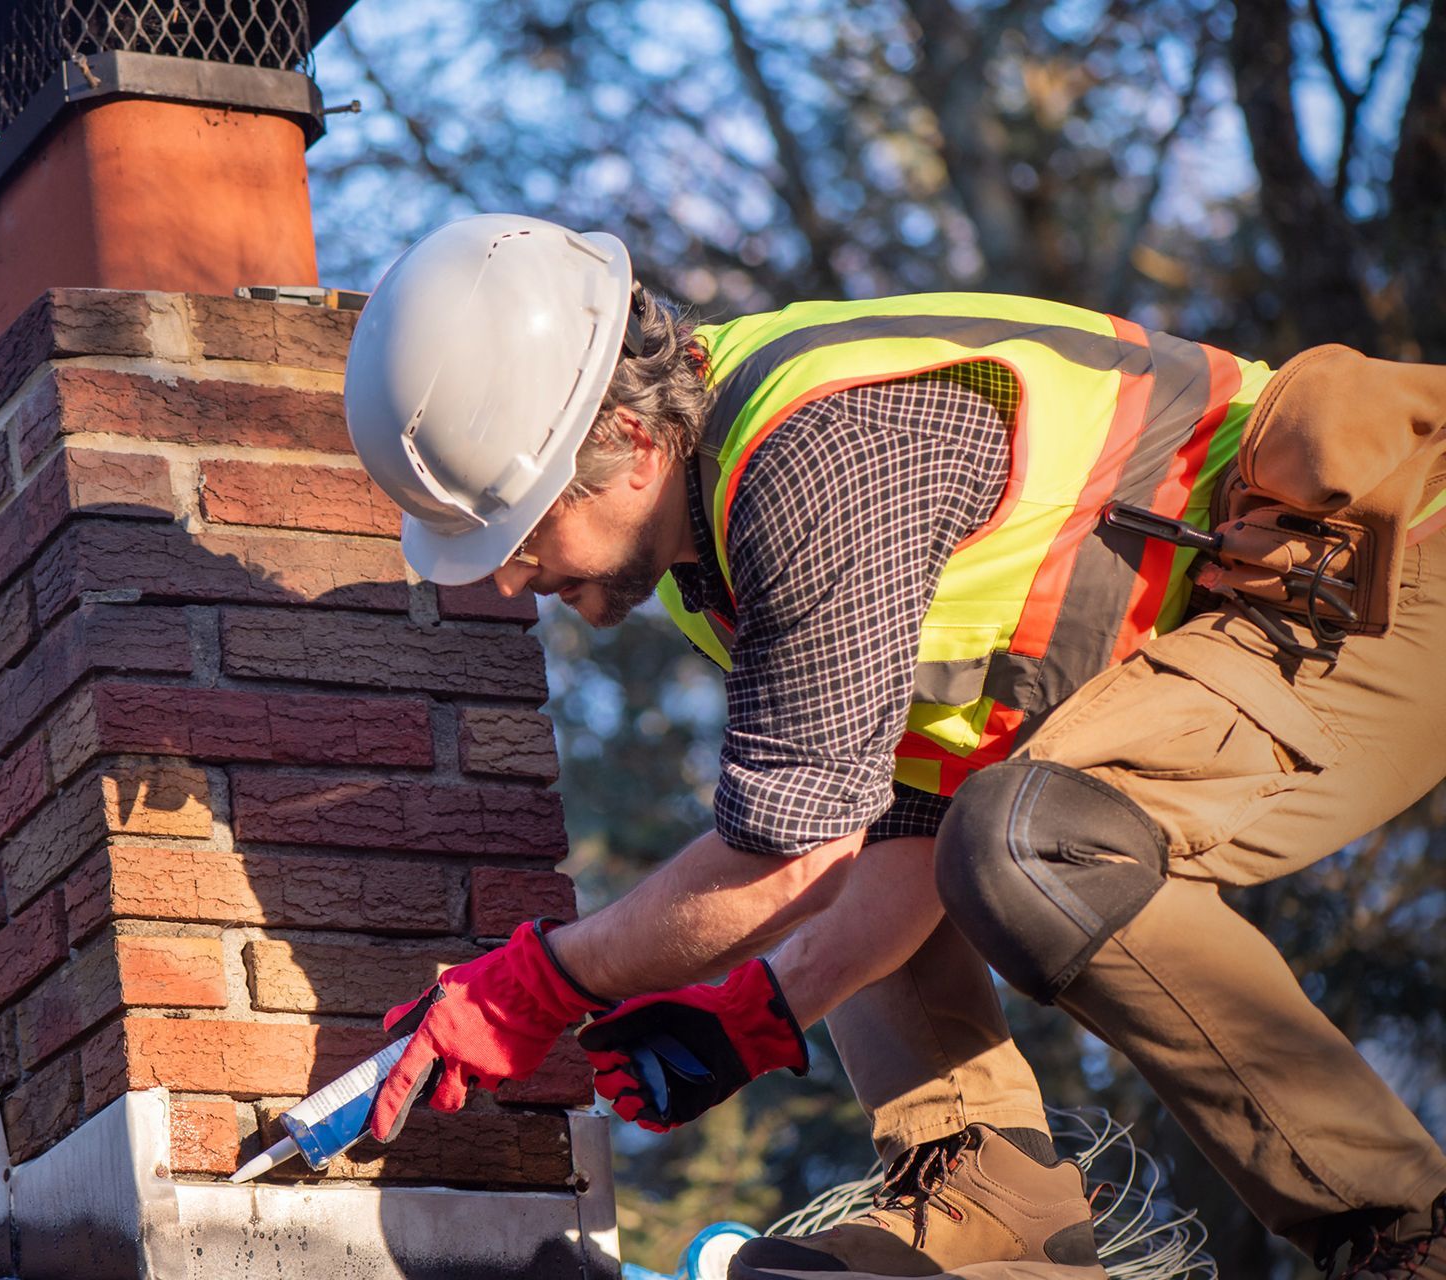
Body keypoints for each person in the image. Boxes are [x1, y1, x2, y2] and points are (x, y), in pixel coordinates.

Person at [341, 213, 1446, 1279]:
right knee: (957, 821)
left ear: (631, 441)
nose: (506, 575)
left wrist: (531, 987)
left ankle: (1402, 1225)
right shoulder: (699, 548)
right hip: (1224, 637)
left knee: (1028, 841)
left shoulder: (812, 461)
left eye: (523, 525)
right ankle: (990, 1195)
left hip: (1375, 574)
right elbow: (894, 820)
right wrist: (761, 1009)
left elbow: (793, 850)